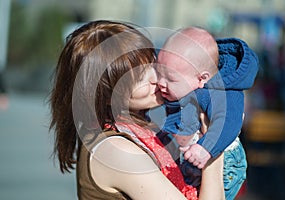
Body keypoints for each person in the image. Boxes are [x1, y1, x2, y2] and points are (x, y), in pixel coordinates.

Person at [49, 20, 225, 200]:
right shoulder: (118, 152)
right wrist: (213, 145)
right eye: (139, 77)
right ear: (107, 96)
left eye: (152, 62)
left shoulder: (129, 129)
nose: (156, 77)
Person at [156, 27, 259, 199]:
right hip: (191, 156)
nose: (161, 82)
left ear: (202, 79)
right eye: (159, 74)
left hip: (224, 163)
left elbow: (228, 121)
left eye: (170, 78)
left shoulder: (221, 92)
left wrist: (206, 148)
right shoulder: (184, 86)